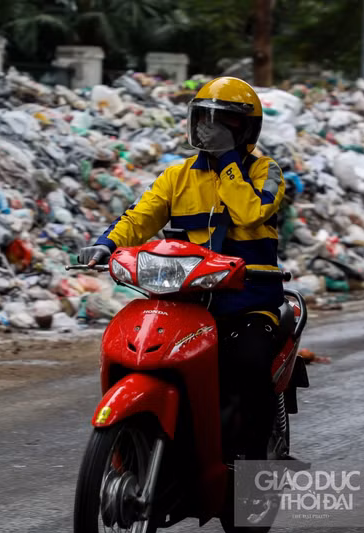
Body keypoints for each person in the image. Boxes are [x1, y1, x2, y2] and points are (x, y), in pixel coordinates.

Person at [78, 76, 286, 460]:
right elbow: (140, 217)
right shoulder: (177, 174)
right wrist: (107, 243)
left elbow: (250, 211)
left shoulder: (264, 171)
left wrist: (227, 160)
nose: (211, 129)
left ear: (246, 129)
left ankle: (254, 476)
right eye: (205, 119)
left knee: (249, 366)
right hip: (186, 298)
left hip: (246, 300)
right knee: (139, 348)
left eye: (224, 122)